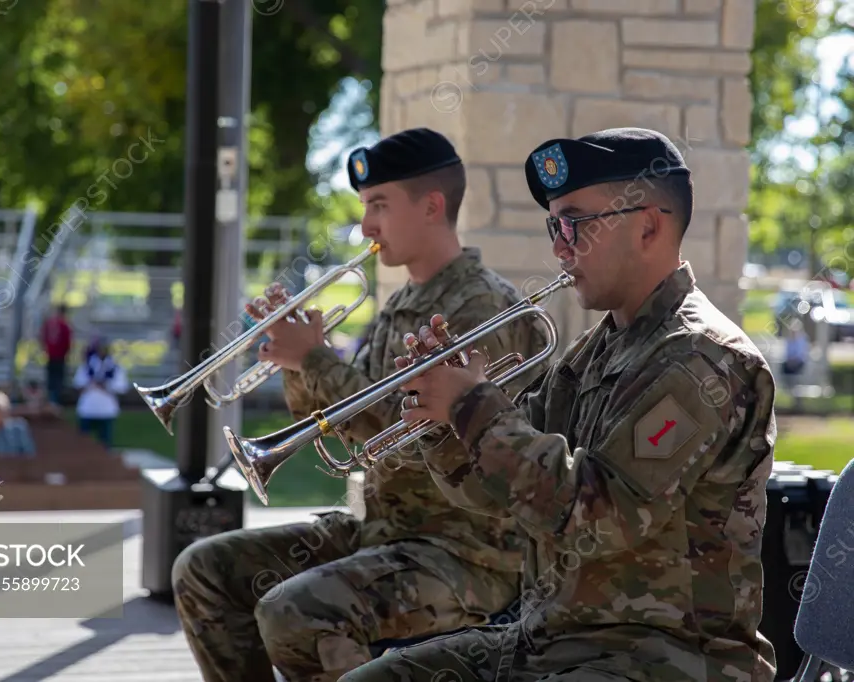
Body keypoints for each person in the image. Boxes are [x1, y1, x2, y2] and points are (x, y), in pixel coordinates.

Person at [340, 128, 778, 682]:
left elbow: (598, 518)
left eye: (576, 223)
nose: (559, 246)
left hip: (665, 658)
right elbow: (496, 495)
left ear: (648, 225)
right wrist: (440, 421)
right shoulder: (595, 350)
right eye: (554, 225)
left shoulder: (703, 359)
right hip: (555, 641)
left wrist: (475, 406)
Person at [171, 128, 553, 682]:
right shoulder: (400, 304)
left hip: (465, 553)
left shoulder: (481, 308)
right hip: (385, 532)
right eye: (364, 208)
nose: (366, 225)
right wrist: (300, 362)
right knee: (203, 568)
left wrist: (318, 362)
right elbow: (345, 432)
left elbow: (419, 436)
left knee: (294, 613)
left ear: (431, 206)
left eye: (379, 205)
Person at [72, 338, 127, 449]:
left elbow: (122, 387)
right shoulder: (87, 366)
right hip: (87, 408)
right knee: (82, 443)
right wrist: (91, 383)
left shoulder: (114, 367)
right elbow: (78, 384)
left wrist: (106, 386)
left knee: (105, 444)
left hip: (106, 409)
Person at [40, 303, 73, 405]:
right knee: (58, 380)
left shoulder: (50, 323)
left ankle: (51, 400)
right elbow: (68, 342)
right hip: (60, 357)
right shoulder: (65, 325)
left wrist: (45, 350)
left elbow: (43, 337)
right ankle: (55, 401)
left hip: (50, 356)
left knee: (51, 379)